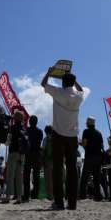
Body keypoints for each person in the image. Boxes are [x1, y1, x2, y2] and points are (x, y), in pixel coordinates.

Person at [42, 70, 85, 210]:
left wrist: (49, 72)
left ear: (63, 82)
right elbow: (81, 89)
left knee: (58, 169)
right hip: (73, 137)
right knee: (72, 170)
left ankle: (59, 202)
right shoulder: (78, 96)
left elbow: (43, 83)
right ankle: (72, 203)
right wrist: (74, 79)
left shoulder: (58, 92)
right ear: (73, 83)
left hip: (58, 135)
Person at [3, 111, 28, 203]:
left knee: (10, 175)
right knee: (19, 176)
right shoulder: (25, 129)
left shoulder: (12, 128)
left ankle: (8, 196)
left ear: (15, 118)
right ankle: (19, 197)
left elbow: (7, 142)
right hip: (22, 155)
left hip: (13, 152)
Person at [78, 116, 105, 201]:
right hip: (98, 158)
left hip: (89, 157)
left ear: (88, 123)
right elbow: (102, 146)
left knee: (84, 178)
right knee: (97, 178)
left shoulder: (86, 132)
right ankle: (98, 196)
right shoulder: (99, 133)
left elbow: (84, 144)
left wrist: (79, 142)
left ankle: (82, 195)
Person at [22, 115, 43, 201]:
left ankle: (26, 195)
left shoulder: (26, 130)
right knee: (36, 175)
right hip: (37, 154)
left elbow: (24, 142)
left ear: (30, 122)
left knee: (26, 175)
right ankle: (35, 194)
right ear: (36, 122)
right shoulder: (40, 131)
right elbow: (39, 142)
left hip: (28, 154)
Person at [41, 126, 54, 200]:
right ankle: (55, 195)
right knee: (54, 178)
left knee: (48, 179)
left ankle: (50, 195)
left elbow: (43, 151)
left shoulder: (45, 139)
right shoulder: (55, 138)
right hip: (55, 161)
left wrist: (42, 161)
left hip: (47, 161)